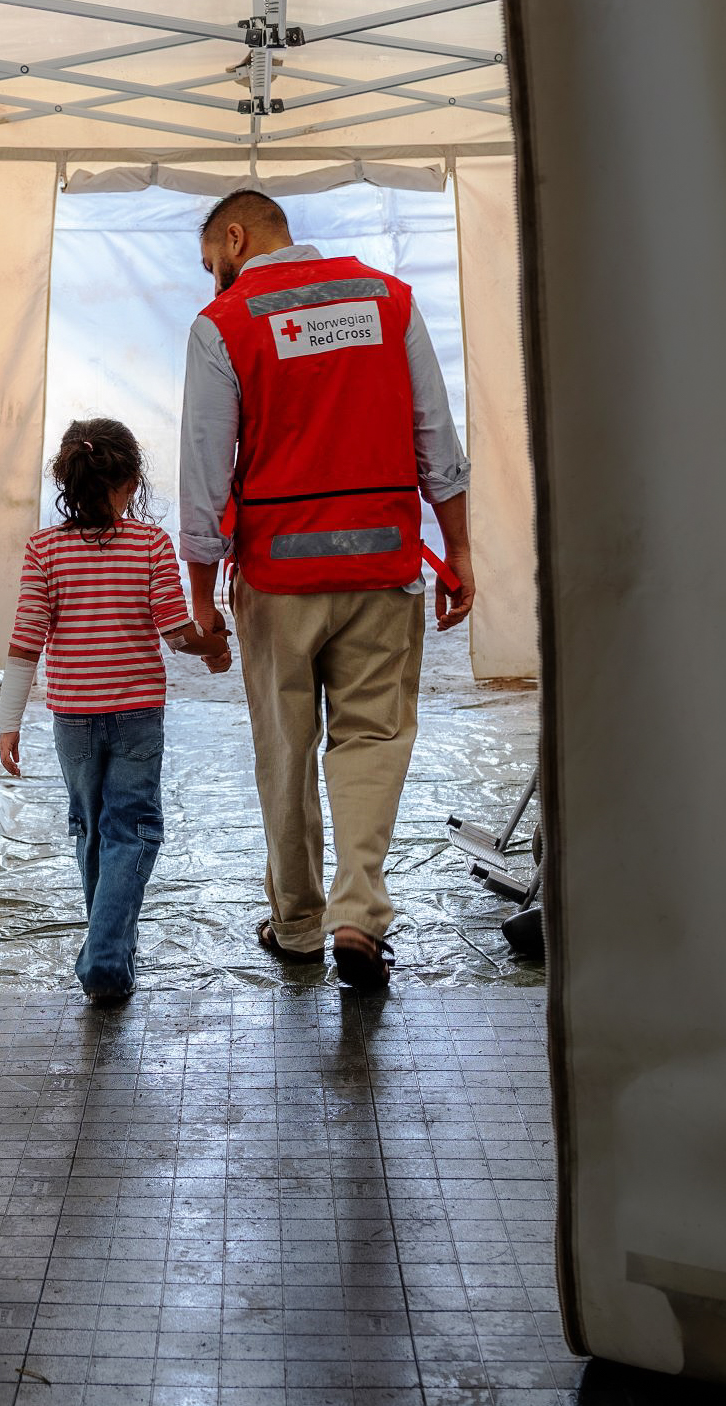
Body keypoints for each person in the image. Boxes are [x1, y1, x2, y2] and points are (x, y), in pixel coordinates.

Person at [179, 188, 475, 992]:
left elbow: (205, 475)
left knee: (286, 748)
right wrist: (462, 549)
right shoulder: (390, 299)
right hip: (383, 567)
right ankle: (358, 913)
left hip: (278, 581)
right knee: (372, 741)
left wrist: (201, 598)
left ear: (236, 238)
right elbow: (435, 439)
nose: (215, 283)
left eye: (214, 264)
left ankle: (302, 923)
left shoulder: (227, 325)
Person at [0, 420, 232, 1005]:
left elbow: (26, 643)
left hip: (72, 717)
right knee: (132, 830)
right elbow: (178, 634)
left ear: (68, 481)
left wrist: (8, 724)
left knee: (91, 829)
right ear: (128, 481)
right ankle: (104, 958)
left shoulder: (43, 550)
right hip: (136, 716)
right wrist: (217, 644)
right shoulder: (150, 545)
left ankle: (109, 957)